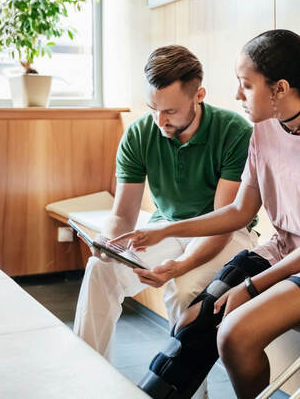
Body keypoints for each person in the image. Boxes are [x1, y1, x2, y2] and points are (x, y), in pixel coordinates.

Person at [111, 30, 300, 399]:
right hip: (284, 250)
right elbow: (240, 210)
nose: (238, 95)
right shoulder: (265, 130)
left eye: (246, 85)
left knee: (234, 335)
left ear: (280, 88)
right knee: (193, 321)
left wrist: (252, 286)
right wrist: (164, 232)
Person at [72, 45, 257, 367]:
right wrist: (109, 242)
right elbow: (123, 213)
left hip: (227, 233)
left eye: (169, 111)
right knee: (100, 270)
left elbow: (224, 221)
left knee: (184, 291)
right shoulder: (140, 133)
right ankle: (89, 375)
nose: (159, 120)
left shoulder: (234, 132)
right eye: (153, 108)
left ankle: (179, 388)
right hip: (163, 229)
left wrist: (181, 265)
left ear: (199, 95)